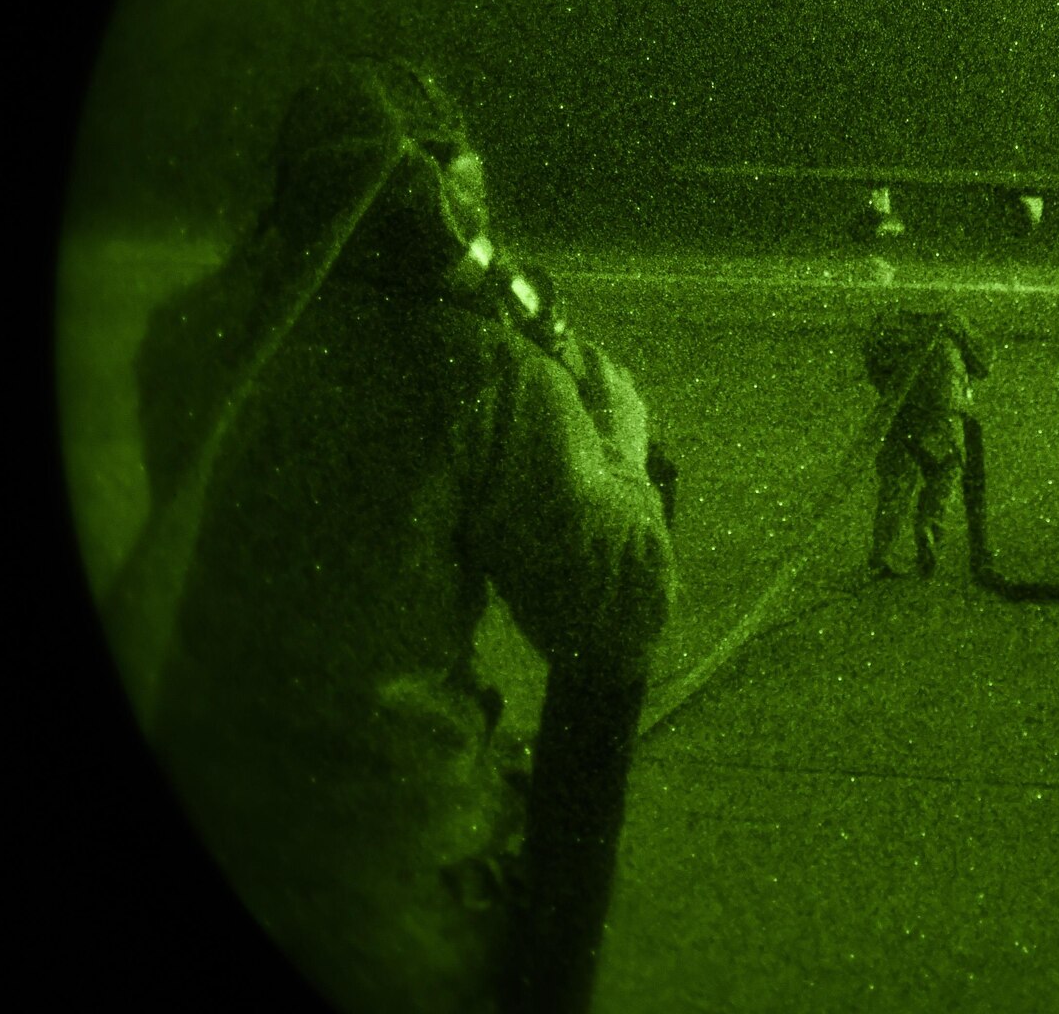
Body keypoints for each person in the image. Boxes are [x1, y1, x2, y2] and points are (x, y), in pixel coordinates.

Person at [131, 58, 673, 1014]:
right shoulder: (482, 374)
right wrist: (621, 438)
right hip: (394, 869)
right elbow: (615, 608)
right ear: (437, 189)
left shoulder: (187, 337)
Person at [864, 306, 988, 579]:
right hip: (941, 413)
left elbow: (873, 367)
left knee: (896, 484)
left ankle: (884, 551)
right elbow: (982, 365)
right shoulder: (955, 324)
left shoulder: (889, 325)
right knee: (945, 470)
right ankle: (929, 523)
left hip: (898, 413)